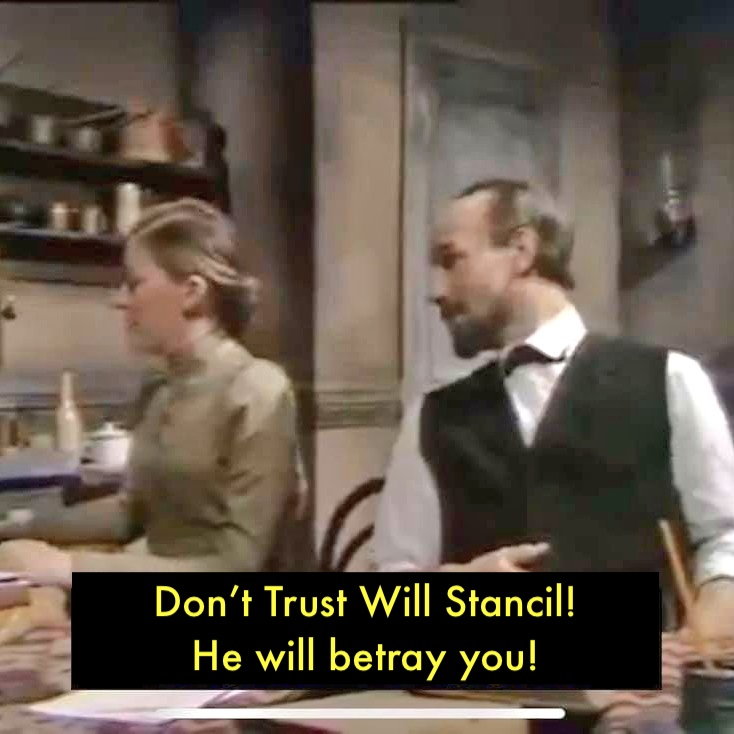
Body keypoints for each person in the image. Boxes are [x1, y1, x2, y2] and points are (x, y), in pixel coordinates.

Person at [373, 178, 734, 642]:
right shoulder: (431, 417)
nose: (436, 290)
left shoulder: (670, 379)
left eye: (451, 260)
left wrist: (702, 633)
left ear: (521, 251)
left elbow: (724, 539)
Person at [0, 198, 304, 585]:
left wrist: (67, 568)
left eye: (135, 284)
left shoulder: (259, 392)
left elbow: (238, 566)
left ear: (192, 292)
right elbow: (129, 514)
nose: (120, 300)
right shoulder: (160, 387)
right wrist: (18, 523)